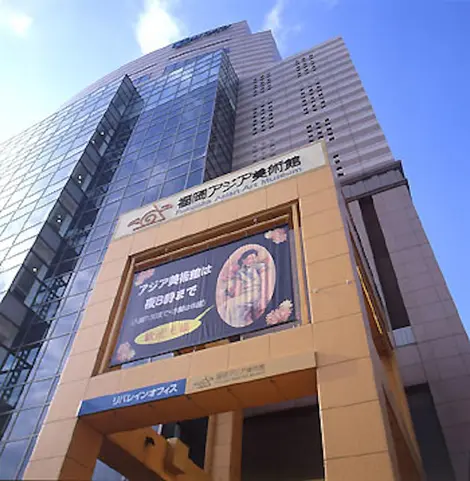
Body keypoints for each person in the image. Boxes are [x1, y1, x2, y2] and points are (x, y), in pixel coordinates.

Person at [224, 248, 269, 327]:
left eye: (254, 258)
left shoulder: (259, 267)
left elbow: (265, 280)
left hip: (255, 293)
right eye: (250, 258)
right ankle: (238, 324)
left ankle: (240, 324)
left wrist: (263, 297)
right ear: (243, 261)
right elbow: (237, 287)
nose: (252, 260)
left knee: (233, 305)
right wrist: (229, 292)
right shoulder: (240, 272)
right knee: (229, 305)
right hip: (246, 294)